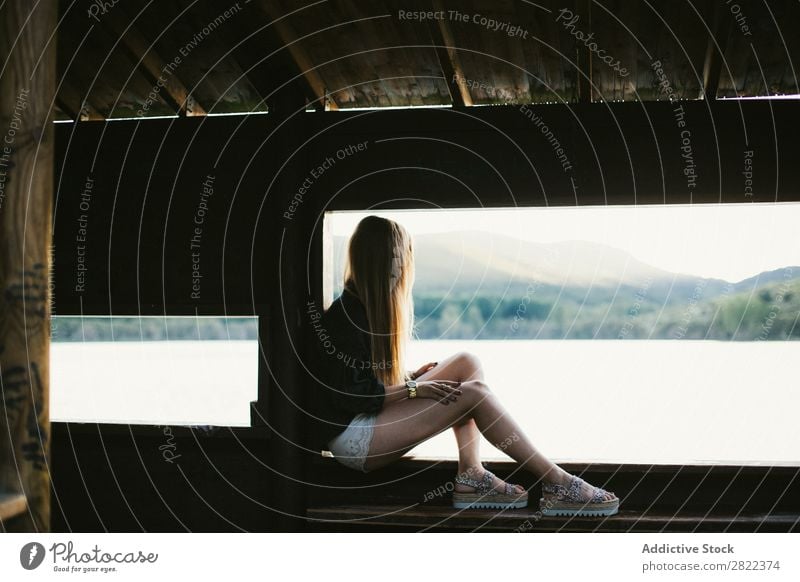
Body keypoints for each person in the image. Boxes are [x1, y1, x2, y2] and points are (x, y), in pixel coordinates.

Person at [309, 215, 618, 516]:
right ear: (373, 261)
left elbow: (364, 378)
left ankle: (470, 473)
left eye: (404, 258)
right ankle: (557, 482)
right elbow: (351, 396)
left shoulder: (364, 308)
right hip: (353, 440)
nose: (402, 267)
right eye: (394, 258)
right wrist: (415, 388)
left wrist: (410, 378)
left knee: (467, 364)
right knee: (475, 394)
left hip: (370, 422)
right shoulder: (344, 318)